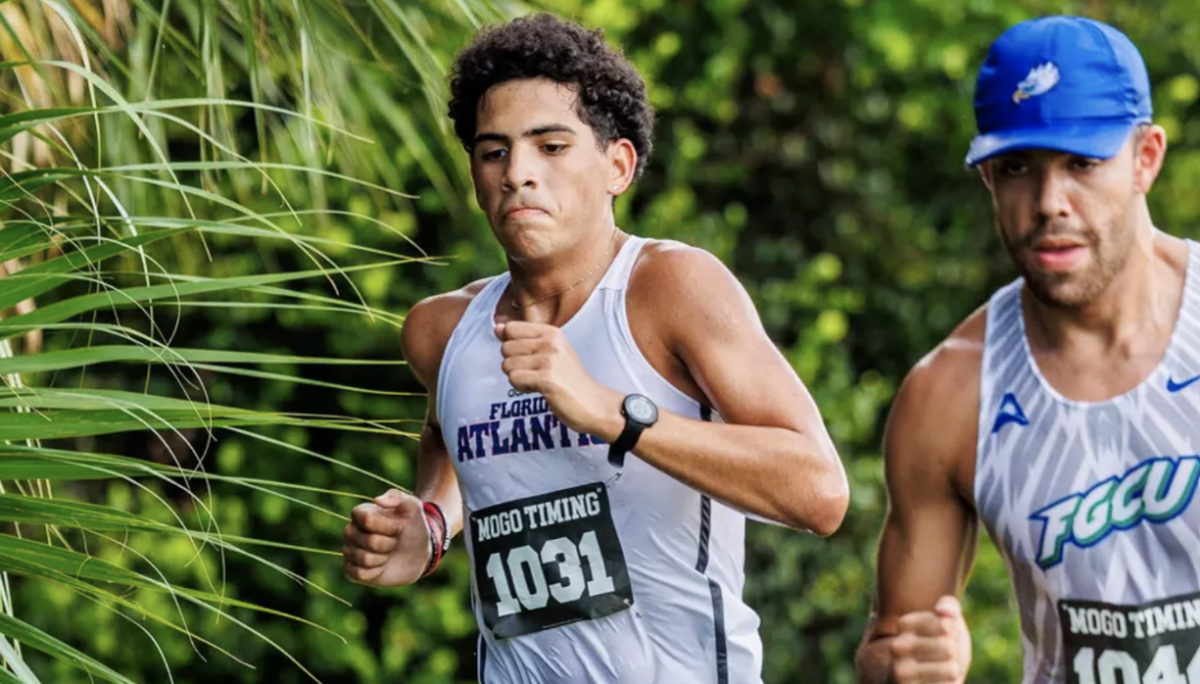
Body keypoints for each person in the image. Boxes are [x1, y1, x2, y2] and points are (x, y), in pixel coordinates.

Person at [340, 12, 850, 684]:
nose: (517, 172)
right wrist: (434, 523)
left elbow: (819, 491)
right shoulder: (442, 331)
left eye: (550, 146)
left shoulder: (668, 288)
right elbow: (450, 432)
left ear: (618, 165)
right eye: (494, 151)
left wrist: (611, 412)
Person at [855, 14, 1200, 684]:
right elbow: (891, 647)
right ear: (988, 177)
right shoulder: (949, 396)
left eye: (1083, 163)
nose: (1049, 202)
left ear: (1146, 159)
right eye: (1018, 167)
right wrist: (907, 668)